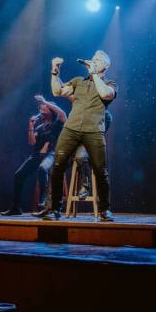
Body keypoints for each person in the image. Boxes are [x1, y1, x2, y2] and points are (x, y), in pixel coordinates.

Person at [37, 51, 117, 222]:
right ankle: (54, 208)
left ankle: (105, 210)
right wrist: (55, 70)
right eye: (93, 59)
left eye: (98, 60)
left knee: (100, 170)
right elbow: (57, 91)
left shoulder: (109, 83)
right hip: (71, 128)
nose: (93, 62)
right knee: (58, 166)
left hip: (94, 130)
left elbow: (106, 95)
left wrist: (94, 73)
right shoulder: (78, 81)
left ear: (106, 66)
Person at [1, 95, 66, 216]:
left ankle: (43, 201)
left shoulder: (57, 123)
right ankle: (16, 208)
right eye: (41, 105)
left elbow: (62, 113)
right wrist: (30, 126)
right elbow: (32, 142)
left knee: (42, 168)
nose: (41, 106)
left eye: (45, 106)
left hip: (51, 154)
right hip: (37, 155)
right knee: (18, 175)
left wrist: (45, 101)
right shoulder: (40, 127)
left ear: (51, 110)